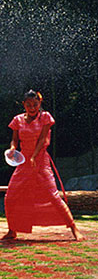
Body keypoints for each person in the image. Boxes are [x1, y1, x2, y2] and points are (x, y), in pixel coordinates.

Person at [2, 90, 83, 241]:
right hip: (23, 162)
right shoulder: (17, 120)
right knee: (10, 196)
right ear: (23, 105)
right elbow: (14, 140)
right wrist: (13, 149)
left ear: (40, 103)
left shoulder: (45, 117)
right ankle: (12, 230)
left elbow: (43, 140)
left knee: (53, 195)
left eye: (35, 104)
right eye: (28, 105)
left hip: (40, 160)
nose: (32, 108)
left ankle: (73, 228)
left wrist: (33, 156)